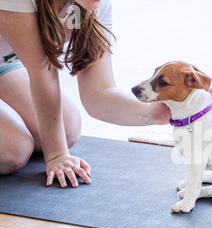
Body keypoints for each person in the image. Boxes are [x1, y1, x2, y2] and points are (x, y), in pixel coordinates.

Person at [0, 0, 171, 188]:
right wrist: (57, 155)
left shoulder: (94, 6)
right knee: (13, 150)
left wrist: (155, 112)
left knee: (67, 130)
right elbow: (42, 72)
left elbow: (99, 93)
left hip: (5, 65)